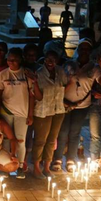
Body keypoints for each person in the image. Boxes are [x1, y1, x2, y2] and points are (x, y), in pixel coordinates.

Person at [0, 48, 42, 179]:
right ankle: (5, 165)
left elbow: (33, 96)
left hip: (22, 112)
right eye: (9, 59)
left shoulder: (27, 74)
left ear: (20, 59)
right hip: (6, 111)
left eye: (14, 60)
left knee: (20, 140)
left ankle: (20, 166)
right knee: (5, 139)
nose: (11, 62)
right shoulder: (3, 75)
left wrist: (30, 114)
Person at [53, 39, 99, 172]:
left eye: (87, 49)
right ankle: (57, 159)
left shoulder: (93, 67)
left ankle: (71, 160)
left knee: (75, 132)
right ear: (77, 50)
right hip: (65, 104)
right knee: (62, 132)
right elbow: (60, 85)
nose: (84, 51)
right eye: (82, 49)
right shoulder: (69, 65)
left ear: (90, 52)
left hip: (82, 105)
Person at [32, 51, 67, 179]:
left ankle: (47, 167)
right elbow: (37, 95)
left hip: (58, 110)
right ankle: (36, 167)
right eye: (48, 59)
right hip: (43, 111)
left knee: (52, 140)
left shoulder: (61, 72)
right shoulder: (39, 74)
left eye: (54, 59)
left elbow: (65, 85)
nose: (51, 62)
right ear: (44, 60)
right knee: (40, 140)